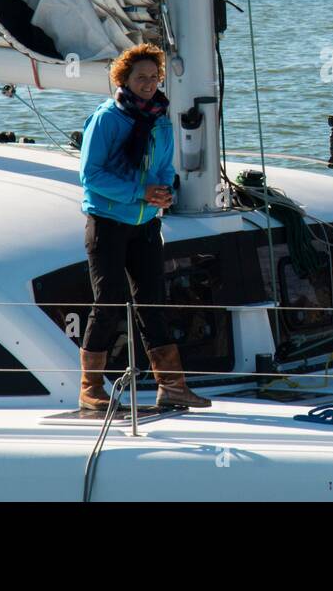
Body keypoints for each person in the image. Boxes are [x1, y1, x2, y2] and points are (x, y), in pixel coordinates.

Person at [77, 43, 210, 410]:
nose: (149, 83)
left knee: (153, 302)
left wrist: (164, 193)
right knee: (108, 303)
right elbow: (90, 176)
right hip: (107, 223)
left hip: (146, 225)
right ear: (124, 79)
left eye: (154, 77)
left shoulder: (161, 117)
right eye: (141, 77)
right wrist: (140, 192)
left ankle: (172, 386)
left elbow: (165, 165)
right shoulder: (107, 118)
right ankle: (90, 389)